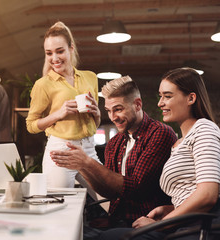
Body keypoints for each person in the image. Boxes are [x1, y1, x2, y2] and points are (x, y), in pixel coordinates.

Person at [98, 67, 220, 239]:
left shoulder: (204, 128)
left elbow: (207, 195)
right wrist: (169, 210)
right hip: (182, 225)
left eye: (167, 96)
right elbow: (189, 192)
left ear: (191, 98)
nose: (159, 103)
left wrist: (163, 223)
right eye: (161, 96)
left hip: (197, 230)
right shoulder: (179, 142)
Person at [50, 76, 178, 229]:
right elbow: (109, 191)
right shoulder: (114, 142)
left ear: (137, 104)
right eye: (108, 111)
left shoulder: (160, 133)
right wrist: (81, 167)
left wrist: (88, 162)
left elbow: (136, 187)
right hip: (118, 222)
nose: (112, 117)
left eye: (118, 109)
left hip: (146, 224)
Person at [26, 21, 101, 188]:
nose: (54, 58)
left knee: (111, 200)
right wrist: (58, 114)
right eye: (49, 53)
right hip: (60, 150)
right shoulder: (43, 84)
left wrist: (97, 114)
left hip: (88, 147)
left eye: (60, 51)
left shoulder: (90, 77)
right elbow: (31, 125)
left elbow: (95, 124)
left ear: (71, 48)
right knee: (60, 205)